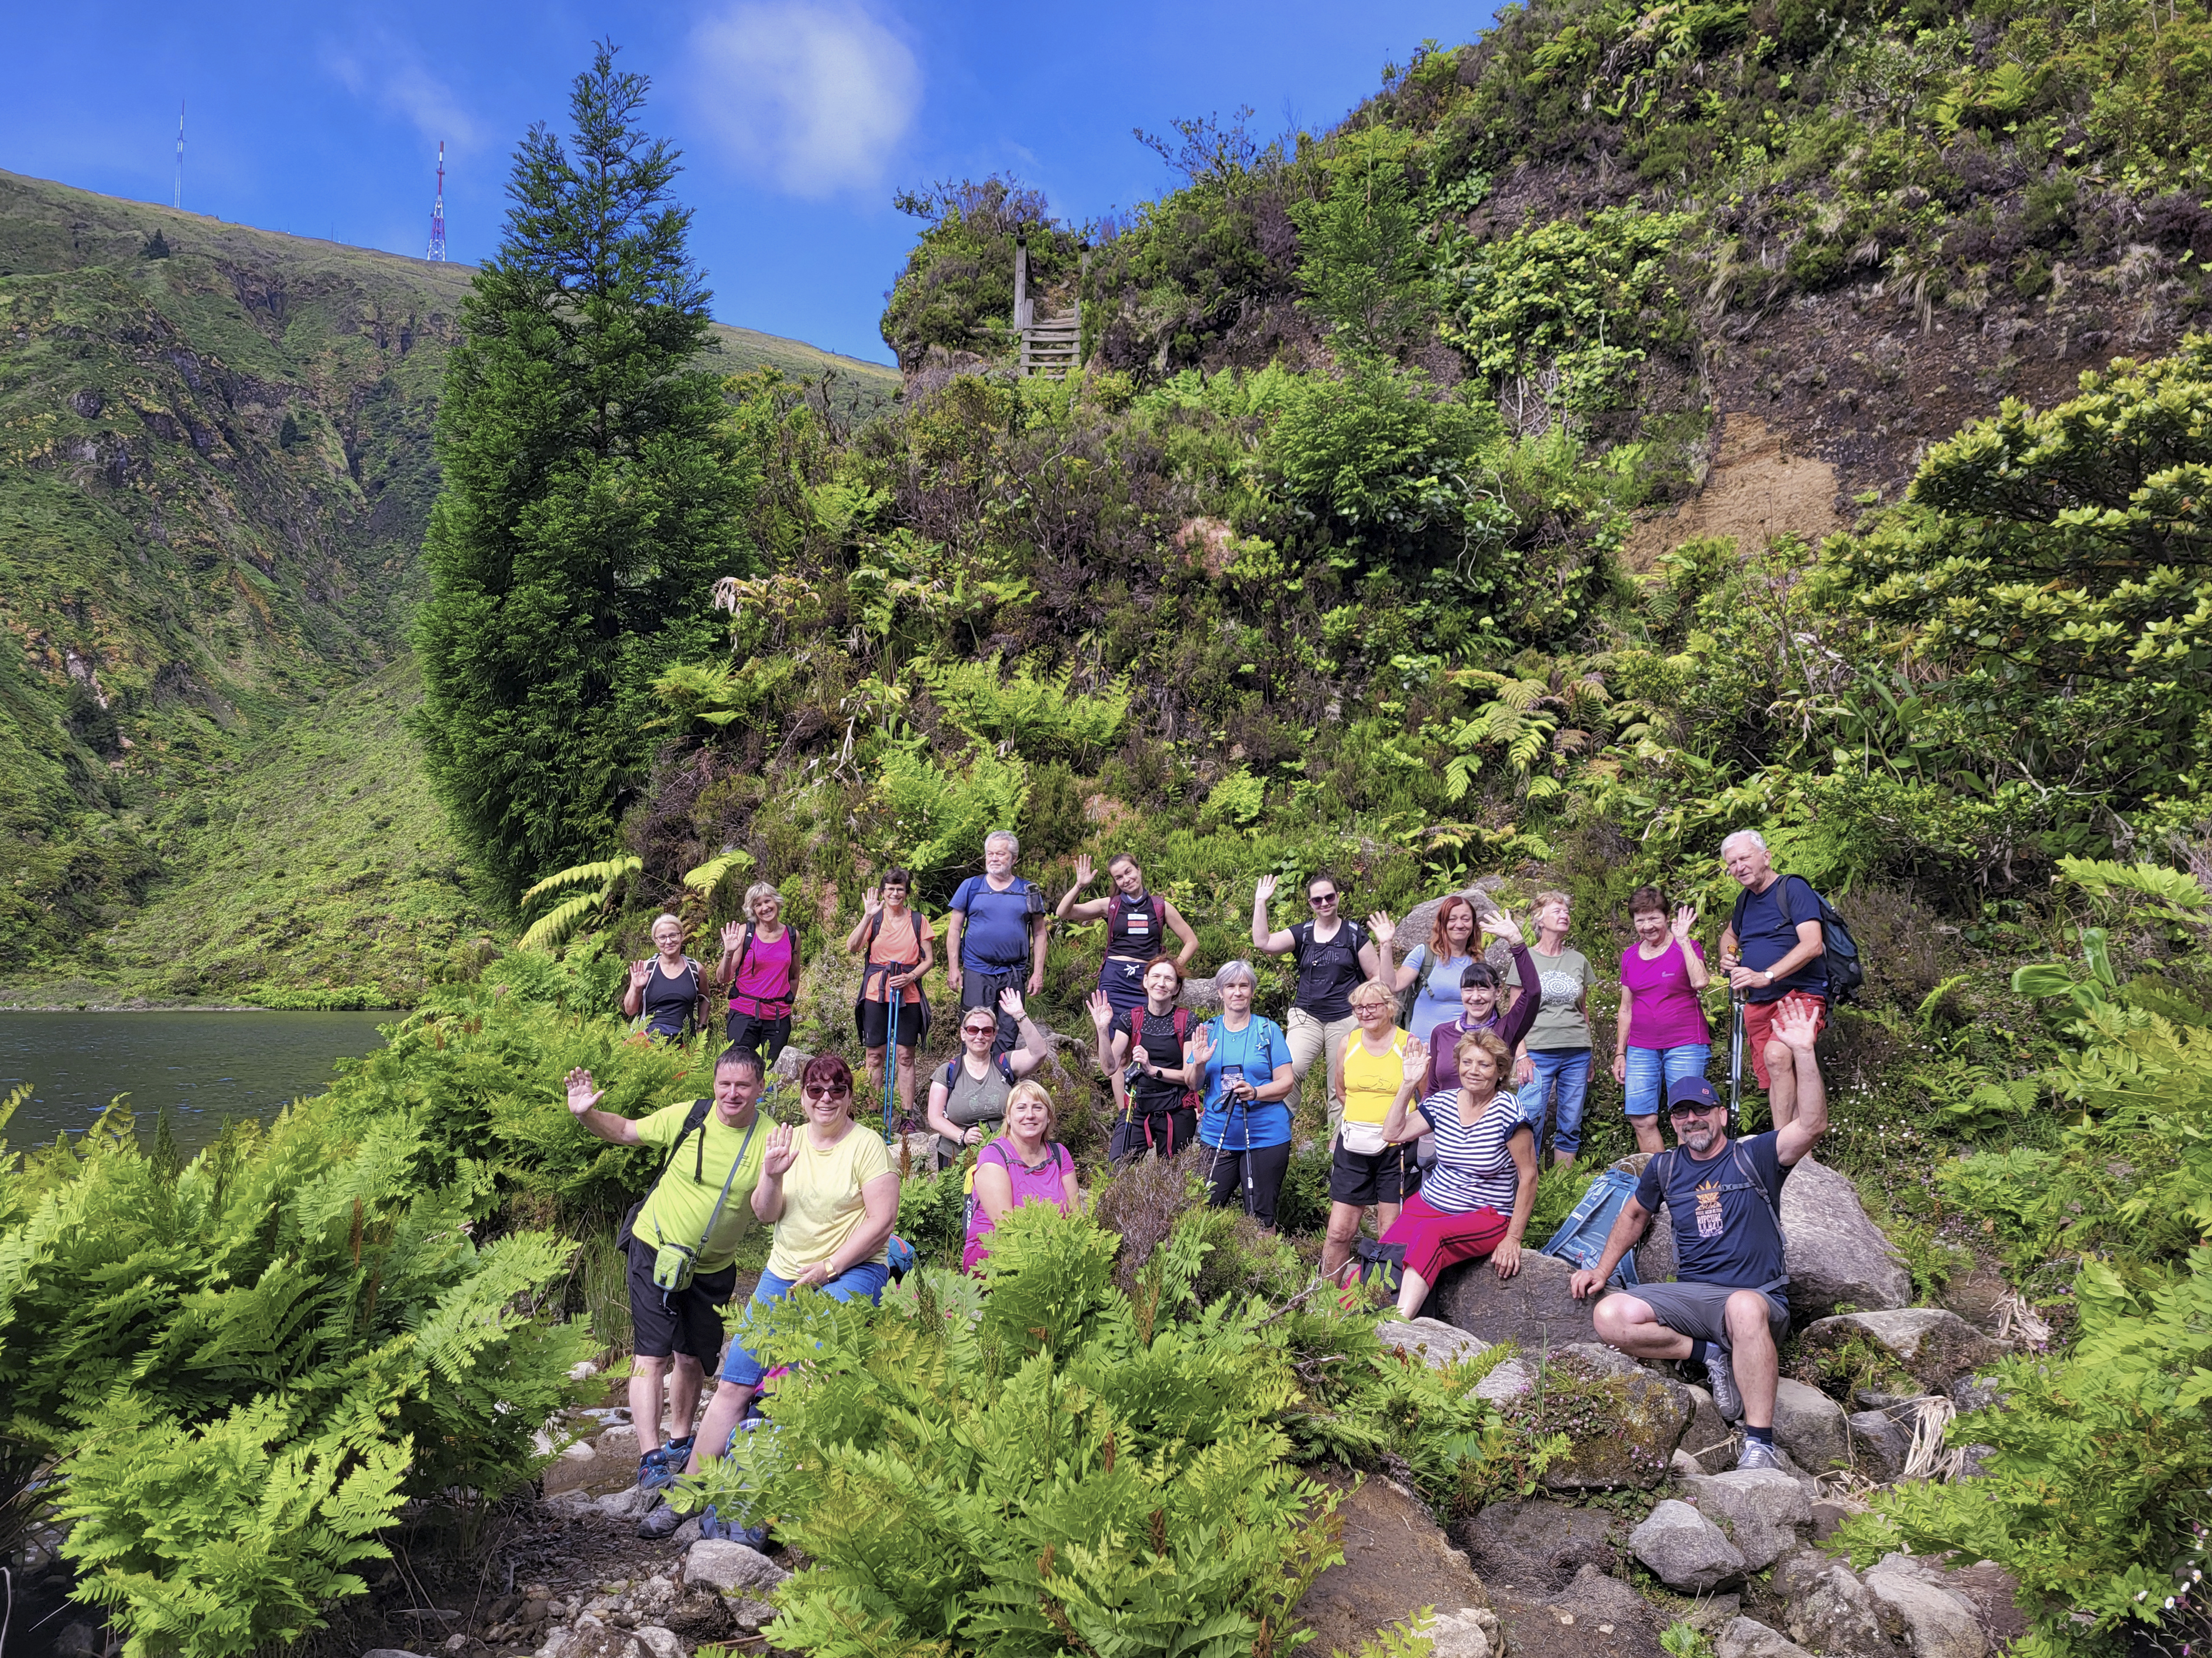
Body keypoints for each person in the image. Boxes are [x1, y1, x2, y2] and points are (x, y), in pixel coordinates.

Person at [1568, 993, 1829, 1472]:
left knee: (1743, 1306)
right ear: (1673, 1123)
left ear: (1721, 1115)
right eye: (1682, 1114)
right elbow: (1632, 1218)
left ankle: (1759, 1443)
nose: (1693, 1121)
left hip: (1758, 1298)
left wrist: (1805, 1053)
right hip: (1695, 1300)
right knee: (1610, 1317)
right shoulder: (1665, 1168)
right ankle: (1710, 1354)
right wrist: (1601, 1271)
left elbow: (1811, 1125)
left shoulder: (1756, 1156)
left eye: (1701, 1111)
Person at [641, 1053, 898, 1537]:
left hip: (853, 1271)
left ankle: (797, 1499)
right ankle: (688, 1494)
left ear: (848, 1096)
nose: (825, 1099)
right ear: (802, 1095)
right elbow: (764, 1212)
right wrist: (774, 1173)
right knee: (737, 1381)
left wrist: (831, 1267)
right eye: (816, 1090)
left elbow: (881, 1221)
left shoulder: (869, 1147)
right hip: (783, 1273)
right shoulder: (787, 1140)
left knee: (812, 1376)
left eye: (836, 1090)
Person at [562, 1047, 769, 1515]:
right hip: (653, 1246)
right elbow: (624, 1130)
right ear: (714, 1083)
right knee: (651, 1355)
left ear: (759, 1088)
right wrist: (585, 1114)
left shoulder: (771, 1138)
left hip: (713, 1266)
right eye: (724, 1084)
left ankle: (680, 1441)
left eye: (742, 1085)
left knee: (693, 1358)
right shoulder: (690, 1117)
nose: (731, 1094)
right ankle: (650, 1455)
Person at [1376, 1027, 1539, 1319]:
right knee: (1382, 1255)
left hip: (1485, 1214)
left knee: (1430, 1235)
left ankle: (1399, 1325)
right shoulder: (1443, 1102)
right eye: (1467, 1062)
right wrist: (1408, 1084)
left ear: (1500, 1071)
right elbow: (1393, 1133)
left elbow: (1528, 1176)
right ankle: (1342, 1326)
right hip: (1430, 1205)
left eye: (1484, 1064)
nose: (1473, 1071)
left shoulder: (1508, 1110)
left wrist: (1514, 1238)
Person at [1251, 871, 1390, 1146]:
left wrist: (1363, 998)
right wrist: (1260, 902)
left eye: (1329, 897)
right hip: (1307, 1016)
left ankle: (1335, 1151)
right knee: (1290, 1071)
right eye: (1317, 900)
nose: (1324, 903)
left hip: (1345, 1018)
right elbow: (1263, 943)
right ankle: (1278, 1136)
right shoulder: (1302, 933)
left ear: (1338, 897)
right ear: (1310, 903)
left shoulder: (1353, 934)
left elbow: (1378, 977)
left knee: (1339, 1083)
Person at [1717, 830, 1829, 1129]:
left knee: (1777, 1055)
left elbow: (1812, 945)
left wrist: (1766, 975)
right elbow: (1730, 935)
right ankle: (1797, 1152)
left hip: (1798, 994)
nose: (1738, 867)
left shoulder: (1792, 889)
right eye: (1732, 863)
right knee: (1775, 1070)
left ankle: (1783, 1147)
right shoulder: (1745, 901)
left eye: (1744, 858)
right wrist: (1729, 955)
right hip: (1760, 1004)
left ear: (1766, 857)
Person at [1186, 959, 1296, 1224]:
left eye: (1244, 986)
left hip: (1266, 1137)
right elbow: (1192, 1083)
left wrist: (1256, 1092)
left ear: (1252, 991)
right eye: (1231, 986)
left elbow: (1286, 1082)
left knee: (1261, 1217)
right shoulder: (1206, 1031)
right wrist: (1199, 1062)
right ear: (1220, 991)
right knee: (1203, 1211)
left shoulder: (1268, 1031)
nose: (1238, 992)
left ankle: (1264, 1264)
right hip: (1217, 1137)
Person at [1321, 979, 1413, 1282]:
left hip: (1395, 1149)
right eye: (1359, 1007)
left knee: (1391, 1232)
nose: (1365, 1012)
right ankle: (1324, 1300)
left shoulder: (1408, 1043)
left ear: (1390, 1007)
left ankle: (1383, 1302)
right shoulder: (1349, 1042)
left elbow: (1421, 1095)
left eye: (1372, 1006)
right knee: (1338, 1231)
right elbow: (1341, 1089)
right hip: (1353, 1144)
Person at [1614, 887, 1713, 1155]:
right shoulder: (1630, 956)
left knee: (1688, 1114)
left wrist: (1683, 941)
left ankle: (1688, 1179)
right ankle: (1659, 1178)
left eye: (1653, 918)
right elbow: (1626, 1009)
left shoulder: (1687, 947)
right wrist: (1620, 1053)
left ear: (1667, 917)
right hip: (1641, 1048)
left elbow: (1701, 982)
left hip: (1686, 1043)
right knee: (1641, 1117)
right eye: (1640, 920)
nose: (1647, 926)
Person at [1508, 889, 1595, 1167]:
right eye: (1557, 911)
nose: (1565, 915)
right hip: (1537, 1051)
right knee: (1529, 1117)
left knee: (1571, 1121)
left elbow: (1583, 1010)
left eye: (1566, 911)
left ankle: (1563, 1186)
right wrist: (1520, 1055)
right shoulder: (1525, 960)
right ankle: (1528, 1184)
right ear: (1539, 920)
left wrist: (1590, 1052)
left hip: (1577, 1052)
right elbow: (1514, 1013)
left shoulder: (1578, 960)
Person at [1056, 852, 1199, 1019]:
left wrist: (1172, 969)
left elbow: (1191, 942)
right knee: (1110, 1032)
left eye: (1128, 872)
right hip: (1114, 980)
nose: (1126, 879)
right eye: (1119, 877)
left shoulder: (1161, 907)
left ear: (1139, 870)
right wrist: (1079, 886)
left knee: (1145, 1034)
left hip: (1146, 981)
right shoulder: (1110, 905)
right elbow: (1063, 912)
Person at [944, 830, 1049, 1056]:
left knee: (1008, 1031)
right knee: (974, 1029)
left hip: (1013, 973)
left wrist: (1038, 973)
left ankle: (1002, 1081)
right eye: (990, 854)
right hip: (977, 970)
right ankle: (972, 1082)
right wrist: (954, 969)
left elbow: (1040, 933)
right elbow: (954, 929)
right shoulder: (971, 887)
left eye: (1000, 854)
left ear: (1014, 859)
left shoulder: (1028, 890)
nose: (993, 858)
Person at [845, 869, 934, 1130]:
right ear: (883, 892)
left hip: (909, 992)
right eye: (890, 889)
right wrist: (867, 916)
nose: (895, 894)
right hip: (876, 991)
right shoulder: (874, 920)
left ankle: (907, 1118)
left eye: (900, 889)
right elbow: (852, 947)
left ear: (907, 893)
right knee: (874, 1055)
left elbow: (928, 959)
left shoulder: (918, 921)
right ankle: (873, 1117)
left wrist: (911, 977)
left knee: (906, 1055)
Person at [961, 1080, 1081, 1273]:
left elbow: (1077, 1216)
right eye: (1021, 1108)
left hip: (1053, 1251)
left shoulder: (1060, 1154)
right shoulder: (994, 1156)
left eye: (1038, 1108)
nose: (1030, 1115)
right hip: (996, 1253)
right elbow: (1007, 1226)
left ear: (1049, 1117)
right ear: (1008, 1117)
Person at [925, 988, 1054, 1165]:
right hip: (957, 1159)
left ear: (994, 1035)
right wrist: (962, 1136)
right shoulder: (948, 1071)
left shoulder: (1005, 1063)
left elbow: (1039, 1053)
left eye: (986, 1031)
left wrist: (1020, 1015)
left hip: (1005, 1155)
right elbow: (934, 1117)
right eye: (973, 1030)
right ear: (963, 1034)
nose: (979, 1036)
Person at [1420, 907, 1539, 1096]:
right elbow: (1433, 1089)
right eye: (1469, 989)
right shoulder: (1441, 1033)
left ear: (1498, 992)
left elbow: (1533, 992)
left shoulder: (1505, 1030)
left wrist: (1516, 940)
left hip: (1487, 1119)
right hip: (1445, 1121)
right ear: (1461, 993)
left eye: (1483, 989)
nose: (1475, 997)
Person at [1093, 955, 1200, 1158]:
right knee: (1118, 1169)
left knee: (1174, 1176)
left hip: (1177, 1107)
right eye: (1156, 976)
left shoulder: (1187, 1020)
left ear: (1176, 988)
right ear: (1145, 981)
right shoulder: (1131, 1018)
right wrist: (1103, 1031)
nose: (1161, 983)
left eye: (1169, 979)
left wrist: (1153, 1070)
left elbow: (1189, 1077)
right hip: (1137, 1105)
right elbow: (1109, 1068)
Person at [1376, 896, 1482, 1046]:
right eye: (1452, 919)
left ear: (1473, 924)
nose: (1459, 925)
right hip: (1423, 1048)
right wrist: (1386, 945)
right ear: (1443, 923)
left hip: (1464, 1050)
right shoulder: (1425, 954)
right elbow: (1391, 987)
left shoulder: (1478, 962)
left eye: (1466, 919)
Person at [718, 883, 797, 1063]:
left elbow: (794, 976)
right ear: (753, 910)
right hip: (744, 1014)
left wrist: (787, 1003)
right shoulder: (745, 933)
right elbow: (723, 978)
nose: (765, 908)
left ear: (776, 902)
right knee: (740, 1068)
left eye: (767, 901)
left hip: (777, 1018)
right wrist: (728, 953)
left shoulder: (792, 936)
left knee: (771, 1074)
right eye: (758, 904)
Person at [622, 913, 708, 1041]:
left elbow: (705, 999)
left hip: (684, 1042)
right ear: (656, 941)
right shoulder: (646, 969)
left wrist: (701, 1028)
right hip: (647, 1042)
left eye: (673, 935)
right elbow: (630, 1011)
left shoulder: (695, 969)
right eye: (662, 937)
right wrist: (636, 988)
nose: (669, 941)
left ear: (682, 936)